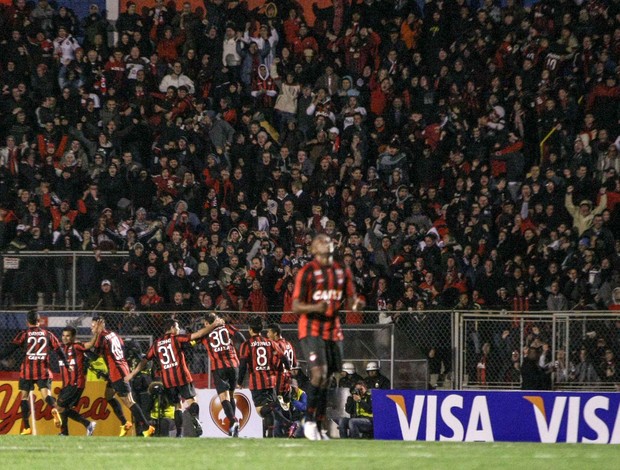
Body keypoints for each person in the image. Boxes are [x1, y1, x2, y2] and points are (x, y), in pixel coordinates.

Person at [292, 233, 363, 440]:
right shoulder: (307, 272)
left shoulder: (341, 272)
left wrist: (355, 304)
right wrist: (316, 306)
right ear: (313, 250)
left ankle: (319, 425)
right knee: (319, 373)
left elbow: (350, 300)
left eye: (329, 243)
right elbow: (296, 306)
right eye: (321, 243)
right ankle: (308, 420)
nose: (326, 245)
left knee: (329, 378)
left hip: (333, 330)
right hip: (311, 329)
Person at [127, 316, 225, 437]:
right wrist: (214, 325)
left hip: (168, 380)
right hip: (181, 376)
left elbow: (145, 360)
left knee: (177, 406)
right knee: (192, 401)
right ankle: (195, 419)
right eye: (177, 327)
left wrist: (132, 373)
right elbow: (197, 335)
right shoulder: (176, 338)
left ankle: (178, 434)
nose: (179, 329)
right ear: (172, 328)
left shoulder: (156, 344)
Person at [0, 310, 64, 434]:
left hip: (27, 371)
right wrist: (66, 363)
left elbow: (11, 348)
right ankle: (54, 408)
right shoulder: (48, 334)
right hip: (43, 371)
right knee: (46, 396)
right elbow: (59, 350)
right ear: (39, 321)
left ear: (27, 322)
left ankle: (27, 427)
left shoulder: (24, 334)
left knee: (24, 398)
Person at [91, 316, 154, 437]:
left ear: (101, 325)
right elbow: (122, 348)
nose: (92, 328)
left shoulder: (102, 337)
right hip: (120, 369)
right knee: (108, 396)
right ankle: (125, 423)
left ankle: (147, 428)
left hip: (117, 373)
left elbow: (94, 356)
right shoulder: (114, 335)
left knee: (129, 402)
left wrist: (84, 351)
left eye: (94, 326)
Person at [238, 316, 291, 438]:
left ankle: (287, 422)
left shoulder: (247, 344)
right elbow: (283, 357)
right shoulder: (270, 342)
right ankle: (269, 436)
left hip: (257, 382)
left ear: (250, 329)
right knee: (268, 412)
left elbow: (243, 365)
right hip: (271, 381)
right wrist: (288, 369)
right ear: (261, 329)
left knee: (261, 410)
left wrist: (239, 382)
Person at [202, 311, 245, 437]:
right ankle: (234, 429)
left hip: (219, 367)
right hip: (234, 364)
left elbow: (192, 341)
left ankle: (233, 420)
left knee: (223, 398)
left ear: (206, 323)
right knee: (231, 395)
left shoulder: (205, 334)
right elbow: (240, 337)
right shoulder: (226, 327)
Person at [56, 326, 99, 436]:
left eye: (68, 336)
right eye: (63, 335)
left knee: (59, 406)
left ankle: (67, 432)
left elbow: (90, 344)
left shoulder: (76, 346)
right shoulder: (60, 348)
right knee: (63, 409)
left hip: (76, 383)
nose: (65, 338)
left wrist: (97, 333)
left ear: (73, 337)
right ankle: (83, 425)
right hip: (66, 384)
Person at [266, 323, 297, 437]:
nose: (267, 334)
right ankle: (290, 430)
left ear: (275, 333)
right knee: (285, 405)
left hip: (278, 379)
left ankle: (278, 431)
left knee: (272, 405)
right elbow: (293, 363)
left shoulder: (276, 345)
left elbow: (275, 363)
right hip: (287, 379)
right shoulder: (288, 344)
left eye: (269, 332)